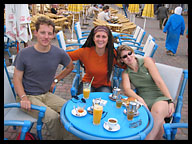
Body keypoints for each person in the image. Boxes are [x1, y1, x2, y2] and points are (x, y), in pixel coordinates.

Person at [13, 16, 74, 140]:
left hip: (45, 94)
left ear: (53, 35)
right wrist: (23, 98)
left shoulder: (58, 52)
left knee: (69, 109)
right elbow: (16, 78)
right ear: (35, 33)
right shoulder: (24, 54)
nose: (46, 37)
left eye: (49, 33)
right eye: (42, 32)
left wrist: (55, 80)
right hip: (27, 96)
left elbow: (70, 67)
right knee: (53, 117)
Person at [116, 45, 175, 140]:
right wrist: (139, 98)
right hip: (144, 100)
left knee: (157, 112)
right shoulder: (126, 73)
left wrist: (170, 101)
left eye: (130, 53)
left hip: (159, 97)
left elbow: (159, 81)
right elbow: (127, 89)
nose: (128, 57)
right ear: (122, 60)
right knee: (160, 125)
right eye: (124, 56)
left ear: (133, 53)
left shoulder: (146, 61)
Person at [67, 25, 124, 95]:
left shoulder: (112, 54)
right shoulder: (85, 51)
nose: (100, 39)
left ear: (108, 39)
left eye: (104, 37)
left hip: (104, 85)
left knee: (104, 103)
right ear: (93, 38)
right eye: (98, 36)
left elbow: (125, 65)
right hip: (87, 83)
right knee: (85, 101)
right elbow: (66, 56)